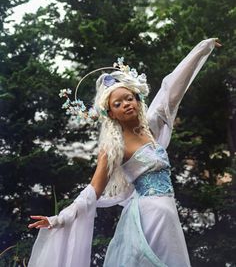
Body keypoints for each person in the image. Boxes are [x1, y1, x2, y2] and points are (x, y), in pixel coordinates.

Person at [27, 38, 222, 267]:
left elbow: (171, 90)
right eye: (118, 104)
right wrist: (60, 218)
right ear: (111, 113)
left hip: (168, 215)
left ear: (137, 100)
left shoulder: (151, 128)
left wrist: (200, 50)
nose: (126, 104)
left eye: (129, 98)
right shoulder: (114, 147)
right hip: (147, 217)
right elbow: (93, 190)